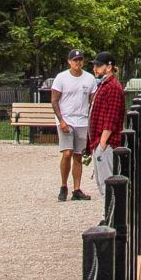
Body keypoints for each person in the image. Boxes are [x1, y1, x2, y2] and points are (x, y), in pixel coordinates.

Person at [49, 51, 101, 203]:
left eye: (80, 60)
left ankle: (77, 188)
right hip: (67, 119)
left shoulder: (89, 79)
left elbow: (93, 99)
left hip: (82, 121)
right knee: (67, 153)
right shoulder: (62, 78)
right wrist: (61, 120)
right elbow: (54, 100)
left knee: (78, 155)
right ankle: (63, 185)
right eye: (75, 60)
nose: (78, 63)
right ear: (69, 62)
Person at [86, 55, 126, 194]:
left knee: (106, 182)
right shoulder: (104, 85)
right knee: (101, 181)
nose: (94, 69)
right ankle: (108, 213)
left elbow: (111, 117)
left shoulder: (113, 87)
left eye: (98, 66)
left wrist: (103, 142)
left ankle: (111, 214)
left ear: (108, 67)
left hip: (106, 142)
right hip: (99, 141)